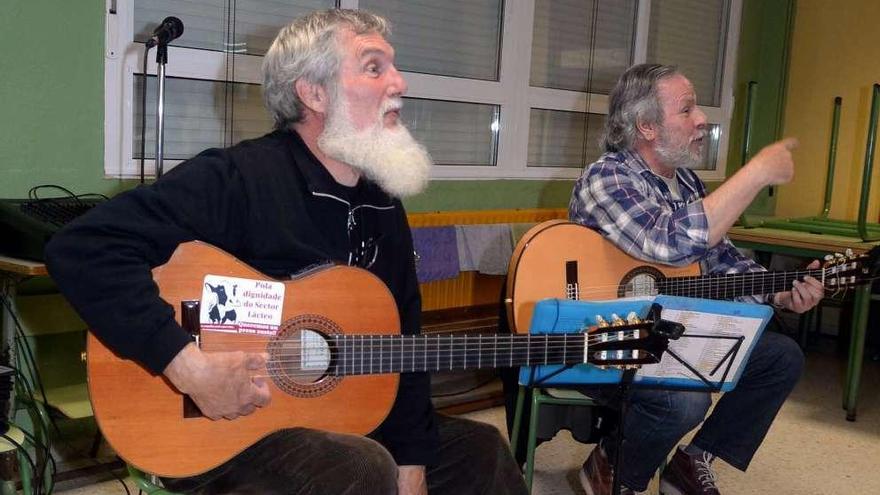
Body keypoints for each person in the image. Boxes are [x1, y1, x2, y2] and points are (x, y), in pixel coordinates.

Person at [46, 9, 527, 495]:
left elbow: (405, 341)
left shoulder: (383, 201)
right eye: (374, 67)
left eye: (393, 67)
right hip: (225, 432)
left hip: (340, 421)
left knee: (480, 451)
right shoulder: (239, 177)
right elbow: (83, 248)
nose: (399, 82)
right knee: (360, 468)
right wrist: (189, 367)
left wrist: (413, 462)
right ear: (313, 93)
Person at [568, 64, 825, 495]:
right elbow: (670, 244)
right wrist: (755, 172)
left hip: (664, 332)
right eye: (687, 109)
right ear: (646, 126)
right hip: (598, 339)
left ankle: (692, 461)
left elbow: (722, 260)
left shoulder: (685, 182)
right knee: (683, 400)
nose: (703, 119)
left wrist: (782, 290)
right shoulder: (605, 178)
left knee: (781, 357)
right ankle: (613, 467)